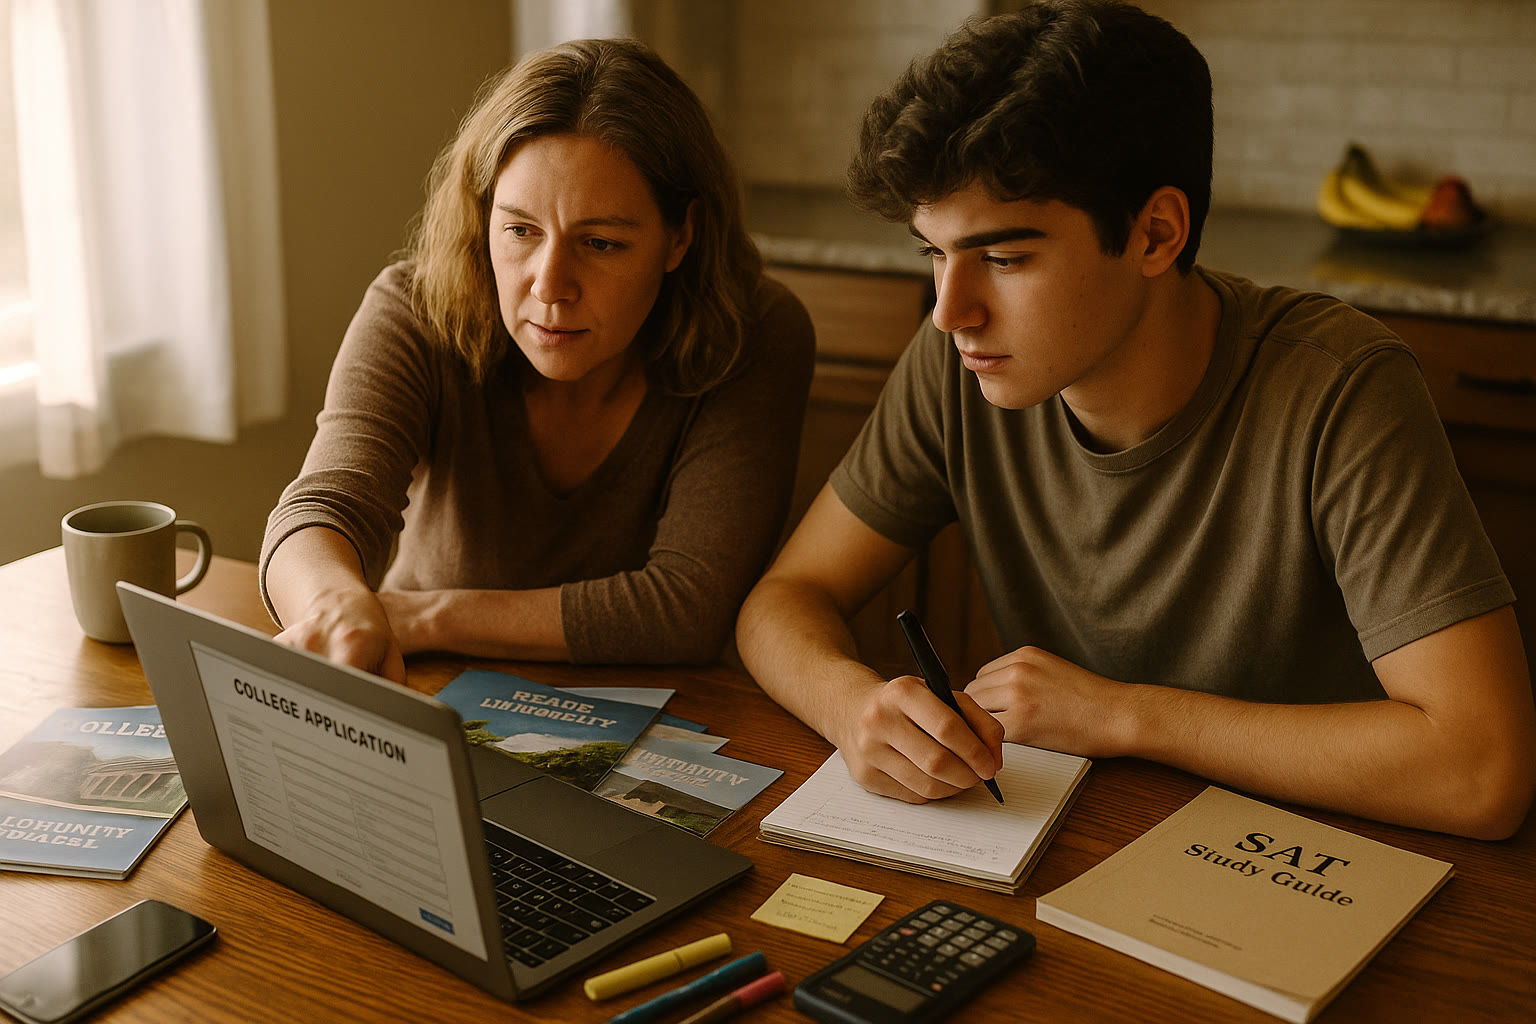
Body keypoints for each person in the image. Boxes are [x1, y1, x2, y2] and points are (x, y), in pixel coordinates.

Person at [735, 0, 1535, 840]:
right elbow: (785, 599)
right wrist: (852, 705)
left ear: (1157, 233)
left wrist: (1125, 716)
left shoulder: (1341, 389)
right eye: (934, 254)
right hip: (1076, 836)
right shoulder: (958, 366)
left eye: (1004, 259)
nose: (950, 311)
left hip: (1319, 859)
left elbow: (1482, 770)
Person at [262, 38, 814, 682]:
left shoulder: (757, 332)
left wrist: (425, 616)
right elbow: (320, 509)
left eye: (602, 242)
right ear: (484, 213)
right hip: (422, 679)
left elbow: (687, 606)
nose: (550, 284)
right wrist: (334, 602)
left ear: (680, 236)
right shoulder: (414, 308)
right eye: (520, 231)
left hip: (660, 706)